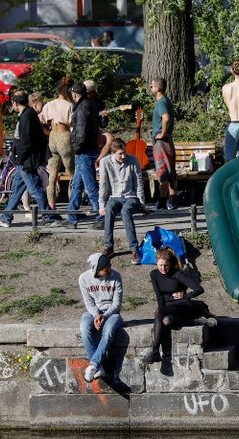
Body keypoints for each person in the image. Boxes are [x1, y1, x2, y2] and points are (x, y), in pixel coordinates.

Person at [142, 247, 216, 370]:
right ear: (156, 263)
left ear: (170, 264)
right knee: (166, 321)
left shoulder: (177, 274)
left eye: (166, 266)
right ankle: (196, 322)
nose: (163, 269)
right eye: (160, 265)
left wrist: (186, 295)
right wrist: (164, 307)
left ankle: (155, 350)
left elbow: (199, 289)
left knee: (159, 313)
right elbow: (159, 297)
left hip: (182, 305)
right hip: (168, 307)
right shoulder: (154, 274)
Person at [0, 91, 58, 228]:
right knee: (16, 189)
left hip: (26, 161)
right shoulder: (28, 114)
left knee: (35, 189)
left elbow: (26, 141)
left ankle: (48, 216)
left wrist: (19, 157)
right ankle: (6, 217)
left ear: (15, 103)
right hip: (24, 160)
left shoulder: (27, 117)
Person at [78, 252, 123, 382]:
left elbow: (117, 304)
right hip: (93, 312)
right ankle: (98, 368)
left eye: (109, 266)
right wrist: (97, 315)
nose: (109, 269)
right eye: (105, 269)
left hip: (112, 313)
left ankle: (94, 365)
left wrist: (105, 315)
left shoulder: (116, 276)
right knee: (84, 327)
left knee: (108, 331)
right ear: (96, 270)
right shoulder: (83, 279)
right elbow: (88, 302)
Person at [99, 138, 144, 265]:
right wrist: (101, 205)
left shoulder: (133, 160)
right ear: (113, 153)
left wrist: (142, 204)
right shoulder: (105, 162)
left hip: (131, 196)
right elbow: (103, 185)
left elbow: (139, 183)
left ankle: (134, 249)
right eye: (120, 154)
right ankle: (109, 246)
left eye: (124, 153)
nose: (123, 156)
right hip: (114, 196)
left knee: (125, 212)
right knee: (109, 209)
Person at [67, 81, 102, 229]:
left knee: (90, 186)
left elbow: (80, 133)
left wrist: (76, 148)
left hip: (84, 151)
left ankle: (101, 216)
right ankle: (72, 216)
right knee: (77, 185)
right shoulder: (90, 104)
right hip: (87, 150)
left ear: (75, 94)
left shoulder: (82, 109)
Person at [39, 77, 75, 212]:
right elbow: (73, 124)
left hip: (52, 136)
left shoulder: (49, 104)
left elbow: (40, 119)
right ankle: (73, 205)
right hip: (64, 136)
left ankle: (51, 205)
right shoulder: (69, 106)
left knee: (52, 175)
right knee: (72, 172)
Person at [150, 77, 178, 210]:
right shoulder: (166, 101)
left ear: (158, 88)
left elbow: (165, 118)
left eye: (151, 86)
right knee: (170, 171)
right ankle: (172, 201)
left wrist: (161, 133)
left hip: (161, 142)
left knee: (162, 172)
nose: (150, 88)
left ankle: (162, 202)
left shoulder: (161, 102)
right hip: (167, 141)